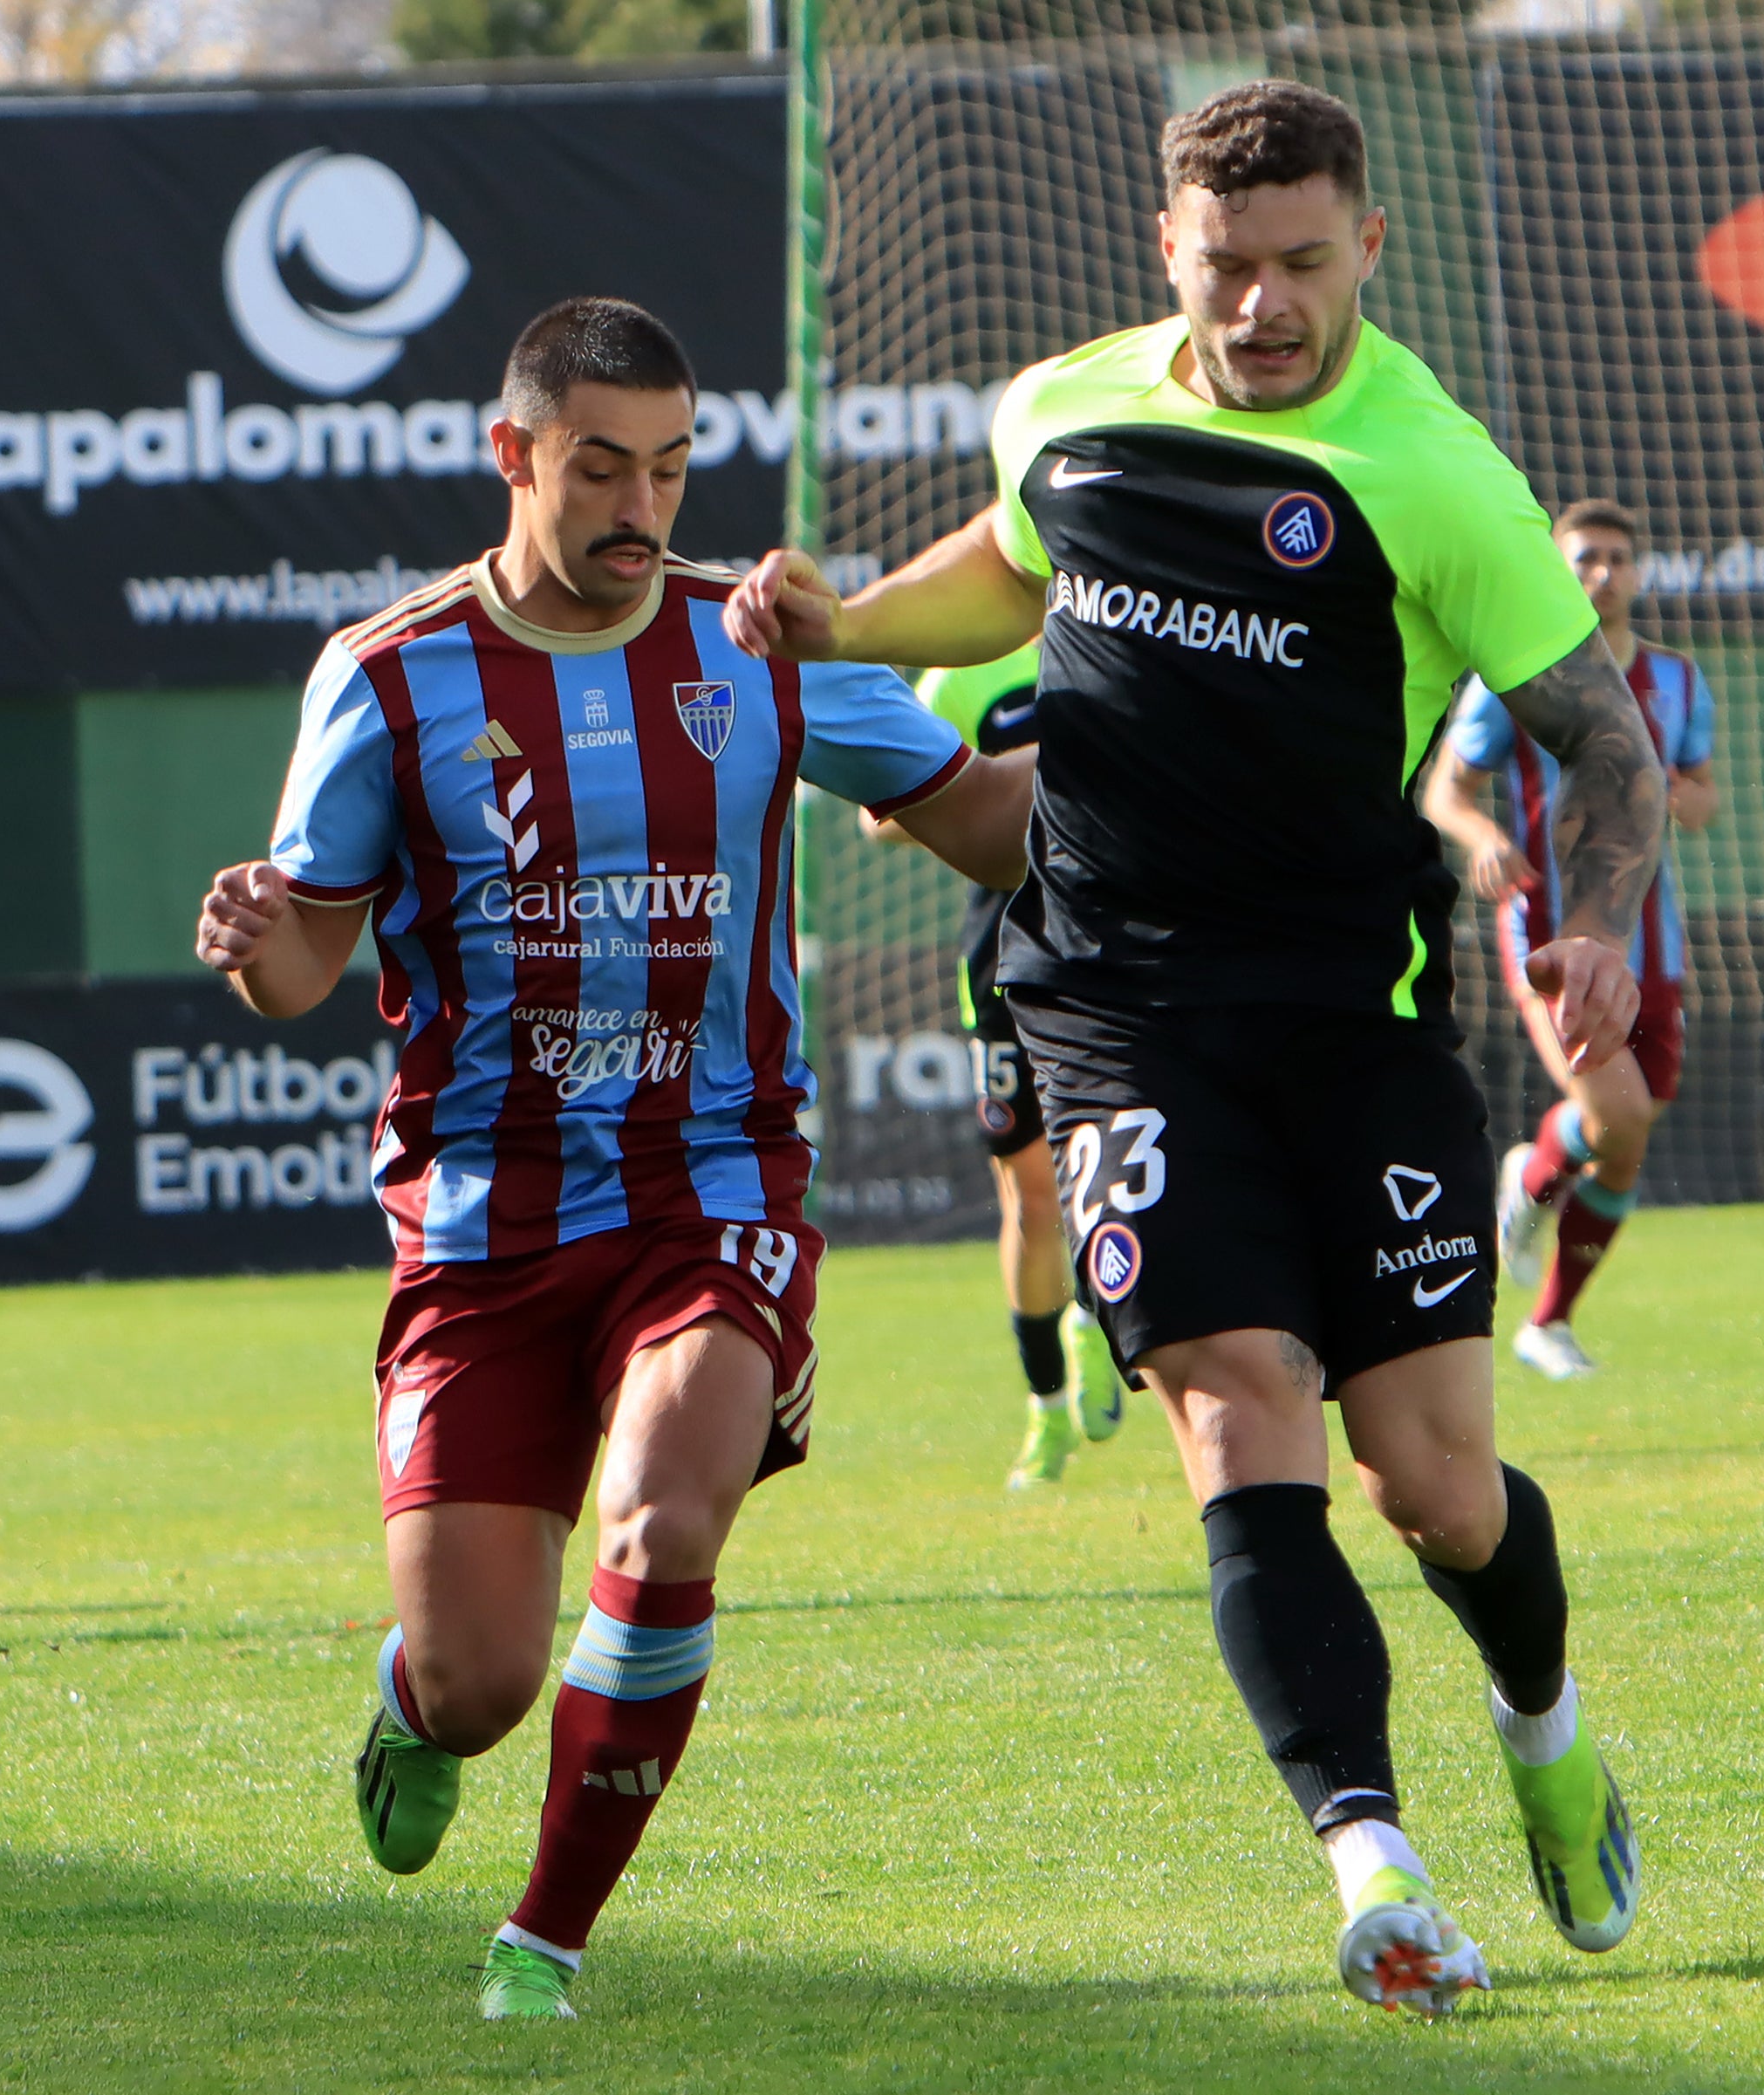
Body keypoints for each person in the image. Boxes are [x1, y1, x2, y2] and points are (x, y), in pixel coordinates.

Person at [725, 81, 1666, 2017]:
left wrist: (1591, 924)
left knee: (1438, 1490)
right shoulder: (1065, 401)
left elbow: (1600, 737)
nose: (1263, 309)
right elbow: (1009, 560)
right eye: (1228, 268)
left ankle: (1546, 1728)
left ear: (1366, 252)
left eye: (1303, 267)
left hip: (1353, 1020)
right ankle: (1374, 1864)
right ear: (1169, 248)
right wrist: (836, 627)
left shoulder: (1431, 467)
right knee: (1237, 1406)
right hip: (1119, 1011)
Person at [191, 298, 1029, 2023]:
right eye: (599, 467)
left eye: (668, 465)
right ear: (513, 456)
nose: (640, 507)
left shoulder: (758, 645)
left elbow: (987, 823)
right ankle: (415, 1705)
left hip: (710, 1196)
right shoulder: (390, 673)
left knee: (665, 1509)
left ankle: (542, 1947)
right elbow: (300, 970)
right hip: (482, 1234)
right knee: (482, 1674)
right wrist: (255, 935)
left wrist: (1186, 762)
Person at [1421, 498, 1718, 1380]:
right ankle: (1537, 1196)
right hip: (1548, 938)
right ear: (1556, 568)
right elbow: (1447, 790)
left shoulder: (1678, 681)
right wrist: (1484, 838)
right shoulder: (1514, 675)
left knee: (1626, 1132)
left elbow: (1702, 798)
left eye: (1618, 558)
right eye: (1584, 557)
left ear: (1638, 572)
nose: (1602, 573)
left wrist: (1662, 789)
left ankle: (1547, 1302)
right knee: (1616, 1113)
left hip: (1649, 945)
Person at [859, 639, 1128, 1485]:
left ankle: (1103, 1309)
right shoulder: (959, 672)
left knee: (1123, 1153)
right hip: (1004, 956)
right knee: (1032, 1191)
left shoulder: (1114, 629)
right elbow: (882, 815)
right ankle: (1045, 1407)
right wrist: (993, 793)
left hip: (1115, 944)